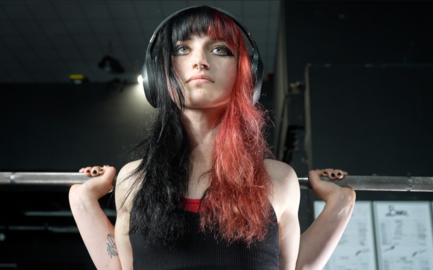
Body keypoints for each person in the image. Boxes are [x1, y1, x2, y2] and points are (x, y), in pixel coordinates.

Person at [69, 6, 355, 270]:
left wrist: (341, 203)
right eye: (182, 49)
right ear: (159, 76)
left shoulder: (277, 179)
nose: (200, 61)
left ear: (247, 75)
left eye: (220, 49)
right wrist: (82, 200)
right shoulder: (135, 180)